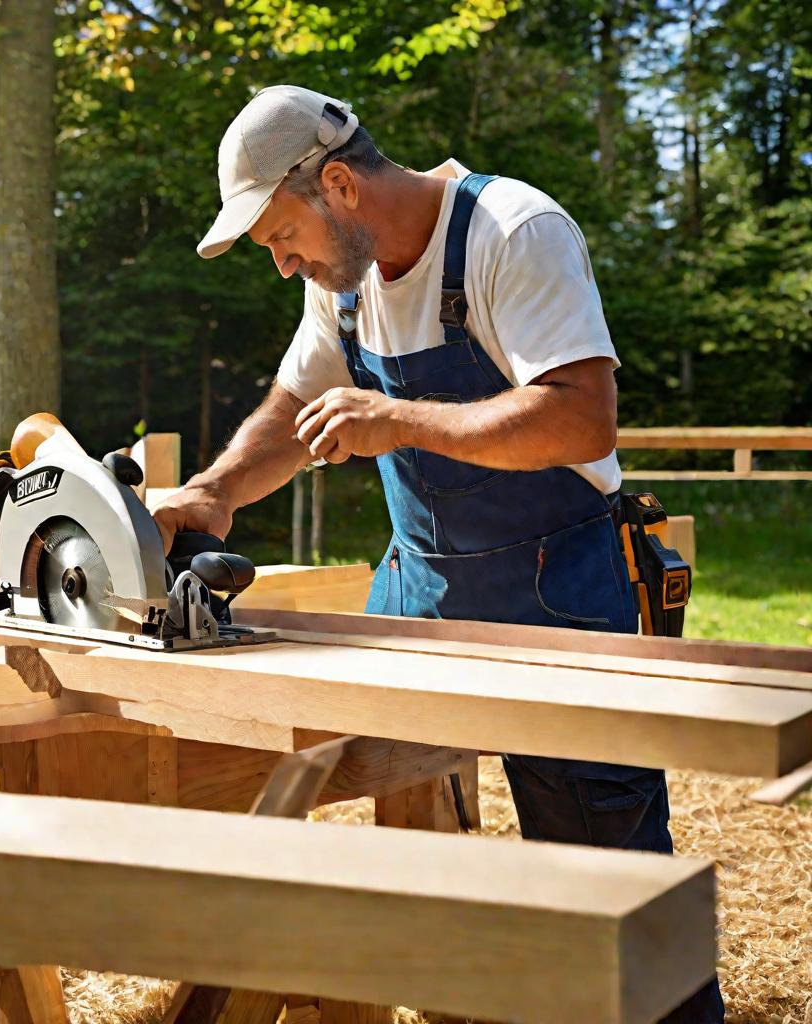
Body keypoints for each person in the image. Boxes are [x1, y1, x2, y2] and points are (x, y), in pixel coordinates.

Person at [153, 85, 724, 1022]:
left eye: (277, 235)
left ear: (336, 184)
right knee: (362, 814)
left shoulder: (513, 230)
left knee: (609, 883)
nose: (278, 260)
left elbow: (583, 416)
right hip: (420, 590)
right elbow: (295, 412)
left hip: (557, 598)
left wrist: (403, 419)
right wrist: (215, 491)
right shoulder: (340, 290)